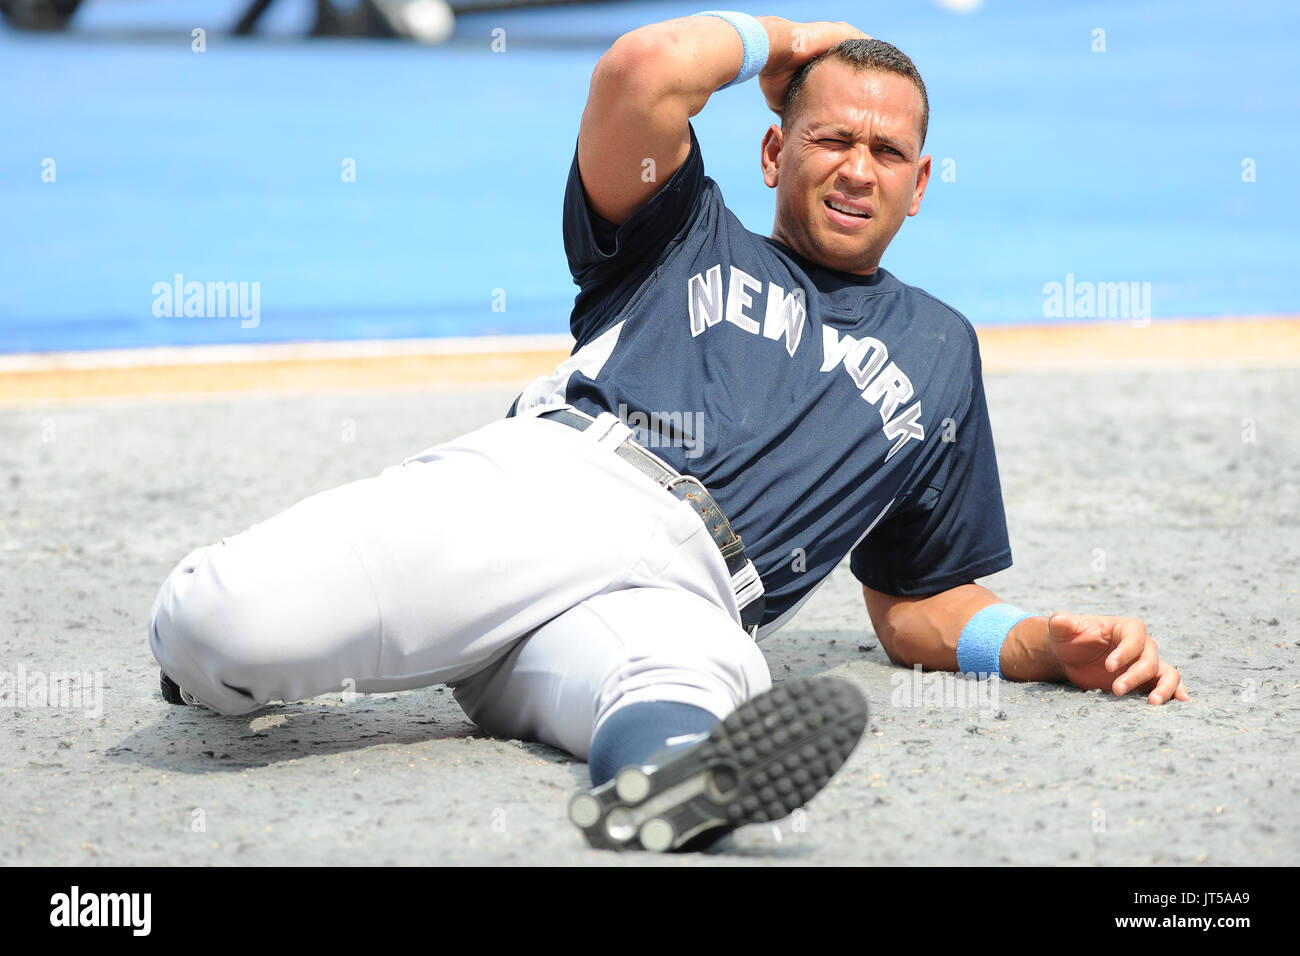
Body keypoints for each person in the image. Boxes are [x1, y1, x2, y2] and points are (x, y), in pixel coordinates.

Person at [149, 12, 1188, 854]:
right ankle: (200, 652)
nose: (858, 167)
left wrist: (1041, 644)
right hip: (557, 488)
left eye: (888, 150)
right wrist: (790, 43)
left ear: (920, 187)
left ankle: (662, 795)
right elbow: (643, 69)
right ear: (777, 147)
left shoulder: (940, 348)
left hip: (695, 590)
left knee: (692, 677)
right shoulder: (678, 229)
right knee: (226, 628)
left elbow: (917, 599)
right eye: (831, 137)